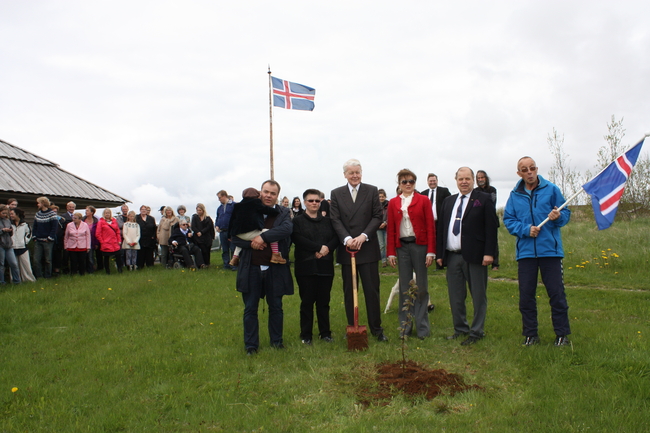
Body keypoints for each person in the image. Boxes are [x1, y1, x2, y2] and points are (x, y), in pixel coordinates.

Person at [503, 156, 572, 347]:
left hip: (550, 252)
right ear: (519, 173)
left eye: (532, 168)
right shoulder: (514, 195)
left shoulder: (551, 190)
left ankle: (562, 335)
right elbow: (509, 220)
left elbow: (566, 213)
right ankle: (531, 335)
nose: (529, 172)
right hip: (526, 254)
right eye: (524, 170)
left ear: (537, 169)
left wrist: (558, 216)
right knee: (526, 296)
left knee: (556, 294)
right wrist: (526, 230)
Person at [436, 167, 498, 346]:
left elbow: (491, 228)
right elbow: (442, 229)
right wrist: (440, 254)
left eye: (467, 179)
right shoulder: (448, 201)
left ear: (473, 180)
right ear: (456, 180)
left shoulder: (483, 199)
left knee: (478, 295)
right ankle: (460, 329)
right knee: (455, 296)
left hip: (476, 256)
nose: (464, 182)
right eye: (460, 179)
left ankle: (477, 331)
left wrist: (490, 253)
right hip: (453, 256)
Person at [232, 180, 293, 355]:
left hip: (275, 268)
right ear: (260, 192)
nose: (268, 195)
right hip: (251, 267)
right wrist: (253, 243)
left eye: (273, 193)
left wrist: (262, 238)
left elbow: (286, 230)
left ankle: (277, 342)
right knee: (250, 308)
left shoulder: (283, 212)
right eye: (266, 192)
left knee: (276, 307)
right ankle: (251, 345)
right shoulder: (247, 209)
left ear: (277, 196)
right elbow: (234, 237)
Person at [330, 158, 387, 342]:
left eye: (357, 172)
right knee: (349, 292)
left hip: (367, 248)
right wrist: (347, 239)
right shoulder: (336, 193)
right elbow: (335, 219)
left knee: (372, 291)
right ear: (345, 174)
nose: (355, 176)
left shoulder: (371, 190)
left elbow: (377, 216)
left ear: (361, 173)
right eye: (351, 173)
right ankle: (352, 327)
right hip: (348, 250)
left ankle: (376, 329)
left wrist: (363, 236)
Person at [386, 169, 436, 340]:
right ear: (399, 184)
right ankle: (405, 328)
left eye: (411, 181)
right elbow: (391, 229)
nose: (408, 184)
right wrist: (390, 253)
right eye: (404, 182)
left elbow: (430, 226)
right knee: (404, 288)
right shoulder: (393, 203)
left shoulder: (423, 200)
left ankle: (422, 329)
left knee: (421, 287)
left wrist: (431, 251)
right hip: (402, 247)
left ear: (415, 183)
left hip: (420, 246)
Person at [291, 189, 339, 345]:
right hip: (305, 266)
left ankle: (325, 333)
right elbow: (297, 238)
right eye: (310, 201)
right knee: (307, 302)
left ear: (321, 202)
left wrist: (326, 249)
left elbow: (336, 238)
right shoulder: (297, 221)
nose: (314, 203)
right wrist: (318, 248)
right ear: (305, 202)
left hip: (325, 265)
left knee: (324, 302)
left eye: (317, 201)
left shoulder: (328, 221)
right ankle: (306, 335)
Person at [228, 187, 285, 267]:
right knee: (271, 233)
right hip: (249, 231)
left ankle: (235, 258)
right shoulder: (255, 202)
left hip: (238, 233)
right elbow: (265, 209)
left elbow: (231, 220)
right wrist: (276, 211)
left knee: (241, 242)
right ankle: (275, 254)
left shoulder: (237, 205)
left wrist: (229, 235)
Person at [475, 170, 500, 270]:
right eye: (478, 178)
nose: (480, 179)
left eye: (482, 177)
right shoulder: (475, 191)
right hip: (479, 220)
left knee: (493, 242)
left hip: (491, 219)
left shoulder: (492, 190)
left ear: (486, 178)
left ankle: (495, 264)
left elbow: (492, 202)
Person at [32, 197, 58, 279]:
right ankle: (39, 276)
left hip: (48, 241)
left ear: (43, 203)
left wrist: (50, 238)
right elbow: (34, 226)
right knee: (36, 259)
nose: (37, 204)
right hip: (38, 240)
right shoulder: (38, 214)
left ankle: (48, 276)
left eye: (39, 203)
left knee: (48, 260)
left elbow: (54, 227)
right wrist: (34, 236)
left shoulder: (52, 214)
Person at [10, 208, 36, 282]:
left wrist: (25, 241)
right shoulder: (10, 224)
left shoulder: (25, 224)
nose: (11, 215)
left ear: (17, 214)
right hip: (12, 247)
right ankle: (15, 280)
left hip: (23, 248)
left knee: (26, 265)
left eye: (12, 214)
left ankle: (29, 279)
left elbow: (29, 234)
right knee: (13, 265)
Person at [96, 208, 123, 274]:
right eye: (106, 213)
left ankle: (120, 270)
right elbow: (98, 234)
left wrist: (119, 240)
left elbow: (118, 232)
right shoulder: (100, 222)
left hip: (115, 243)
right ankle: (107, 271)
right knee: (106, 258)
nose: (107, 214)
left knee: (118, 256)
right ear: (104, 214)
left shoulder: (114, 221)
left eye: (108, 213)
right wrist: (102, 242)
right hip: (106, 243)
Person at [215, 190, 235, 270]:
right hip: (222, 231)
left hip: (231, 231)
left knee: (233, 249)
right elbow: (217, 218)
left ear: (224, 196)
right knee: (225, 249)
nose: (219, 199)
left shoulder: (233, 205)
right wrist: (217, 225)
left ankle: (234, 265)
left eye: (219, 197)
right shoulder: (219, 208)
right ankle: (226, 265)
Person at [0, 205, 20, 284]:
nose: (5, 215)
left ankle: (17, 281)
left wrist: (10, 231)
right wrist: (2, 230)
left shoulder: (7, 220)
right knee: (1, 264)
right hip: (0, 244)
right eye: (3, 213)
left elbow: (11, 233)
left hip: (8, 244)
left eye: (6, 213)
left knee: (14, 263)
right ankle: (2, 282)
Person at [84, 206, 99, 273]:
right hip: (83, 241)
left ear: (92, 212)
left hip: (92, 241)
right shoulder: (83, 220)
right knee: (84, 256)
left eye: (87, 211)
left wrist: (96, 243)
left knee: (90, 256)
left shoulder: (96, 221)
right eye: (86, 210)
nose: (86, 212)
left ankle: (91, 270)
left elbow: (97, 232)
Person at [377, 188, 388, 267]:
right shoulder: (375, 205)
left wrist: (385, 222)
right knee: (381, 245)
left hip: (387, 227)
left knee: (388, 244)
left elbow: (391, 215)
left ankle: (390, 259)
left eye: (382, 196)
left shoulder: (389, 204)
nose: (381, 198)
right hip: (378, 228)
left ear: (385, 197)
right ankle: (383, 260)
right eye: (380, 197)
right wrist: (378, 224)